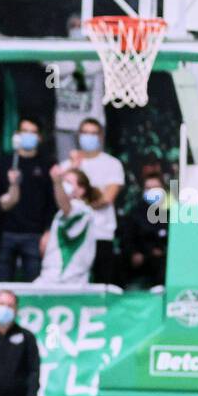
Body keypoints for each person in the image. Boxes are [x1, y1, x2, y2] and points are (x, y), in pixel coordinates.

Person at [60, 119, 123, 285]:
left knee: (102, 284)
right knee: (72, 283)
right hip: (72, 235)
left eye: (94, 133)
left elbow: (106, 198)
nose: (89, 137)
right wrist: (74, 167)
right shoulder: (67, 166)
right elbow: (61, 198)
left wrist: (78, 202)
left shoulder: (112, 164)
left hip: (101, 234)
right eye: (85, 133)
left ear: (101, 137)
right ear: (79, 136)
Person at [0, 118, 54, 281]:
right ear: (17, 135)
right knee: (3, 283)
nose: (28, 135)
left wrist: (48, 231)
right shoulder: (6, 162)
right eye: (25, 131)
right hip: (6, 232)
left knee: (34, 282)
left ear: (39, 137)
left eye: (33, 132)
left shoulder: (46, 164)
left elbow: (51, 201)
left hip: (34, 234)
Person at [48, 15, 105, 158]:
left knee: (94, 167)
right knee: (68, 170)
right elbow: (43, 60)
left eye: (81, 26)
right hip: (64, 124)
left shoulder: (100, 52)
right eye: (73, 26)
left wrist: (71, 64)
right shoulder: (57, 51)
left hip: (93, 125)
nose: (77, 30)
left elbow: (88, 67)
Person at [37, 164, 98, 284]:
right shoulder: (60, 213)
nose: (64, 184)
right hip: (51, 277)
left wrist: (58, 183)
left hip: (67, 280)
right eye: (63, 181)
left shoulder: (82, 210)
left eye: (69, 182)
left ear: (81, 190)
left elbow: (67, 208)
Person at [121, 170, 171, 288]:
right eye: (148, 188)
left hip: (166, 268)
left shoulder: (171, 214)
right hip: (142, 268)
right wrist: (136, 253)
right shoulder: (134, 214)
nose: (153, 192)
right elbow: (127, 239)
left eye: (156, 187)